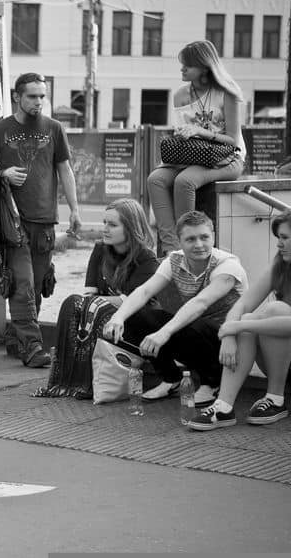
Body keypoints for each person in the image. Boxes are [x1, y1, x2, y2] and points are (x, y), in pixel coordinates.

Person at [0, 72, 83, 368]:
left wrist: (74, 209)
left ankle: (16, 338)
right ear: (17, 97)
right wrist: (1, 175)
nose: (39, 102)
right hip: (13, 221)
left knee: (36, 287)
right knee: (22, 283)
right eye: (32, 96)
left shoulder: (55, 128)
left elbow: (65, 170)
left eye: (42, 96)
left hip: (46, 220)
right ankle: (33, 347)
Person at [104, 211, 247, 407]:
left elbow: (200, 304)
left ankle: (212, 383)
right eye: (190, 239)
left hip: (230, 341)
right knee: (137, 316)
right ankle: (171, 379)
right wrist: (118, 317)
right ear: (179, 241)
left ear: (213, 236)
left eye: (204, 237)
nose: (199, 244)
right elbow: (144, 291)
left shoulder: (227, 265)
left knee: (193, 323)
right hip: (196, 330)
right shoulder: (174, 261)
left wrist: (163, 333)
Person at [36, 198, 159, 398]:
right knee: (72, 303)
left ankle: (88, 383)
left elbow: (127, 302)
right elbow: (89, 295)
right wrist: (93, 303)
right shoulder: (100, 249)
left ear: (130, 227)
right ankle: (67, 380)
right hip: (101, 314)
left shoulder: (146, 258)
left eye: (112, 224)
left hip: (134, 321)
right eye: (104, 223)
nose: (105, 229)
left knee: (97, 309)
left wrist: (95, 304)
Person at [188, 211, 291, 430]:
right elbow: (243, 304)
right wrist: (230, 335)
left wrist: (238, 325)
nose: (280, 244)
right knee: (248, 316)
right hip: (282, 360)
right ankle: (223, 406)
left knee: (274, 310)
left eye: (285, 238)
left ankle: (276, 398)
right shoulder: (281, 266)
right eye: (279, 238)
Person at [148, 40, 245, 255]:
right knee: (155, 179)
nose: (182, 69)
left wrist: (200, 131)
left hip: (227, 157)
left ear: (204, 67)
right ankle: (171, 250)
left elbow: (233, 140)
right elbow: (184, 135)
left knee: (185, 181)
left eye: (187, 65)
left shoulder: (226, 93)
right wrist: (183, 133)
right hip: (192, 156)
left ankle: (187, 245)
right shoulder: (181, 95)